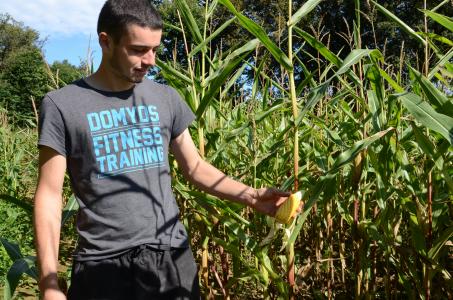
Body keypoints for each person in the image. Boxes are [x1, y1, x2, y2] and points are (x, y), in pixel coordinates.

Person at [33, 0, 293, 299]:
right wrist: (49, 283)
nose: (151, 60)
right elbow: (49, 196)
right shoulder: (62, 105)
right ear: (106, 42)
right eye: (138, 49)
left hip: (170, 256)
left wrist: (251, 196)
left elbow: (195, 168)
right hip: (102, 263)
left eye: (155, 49)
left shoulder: (165, 98)